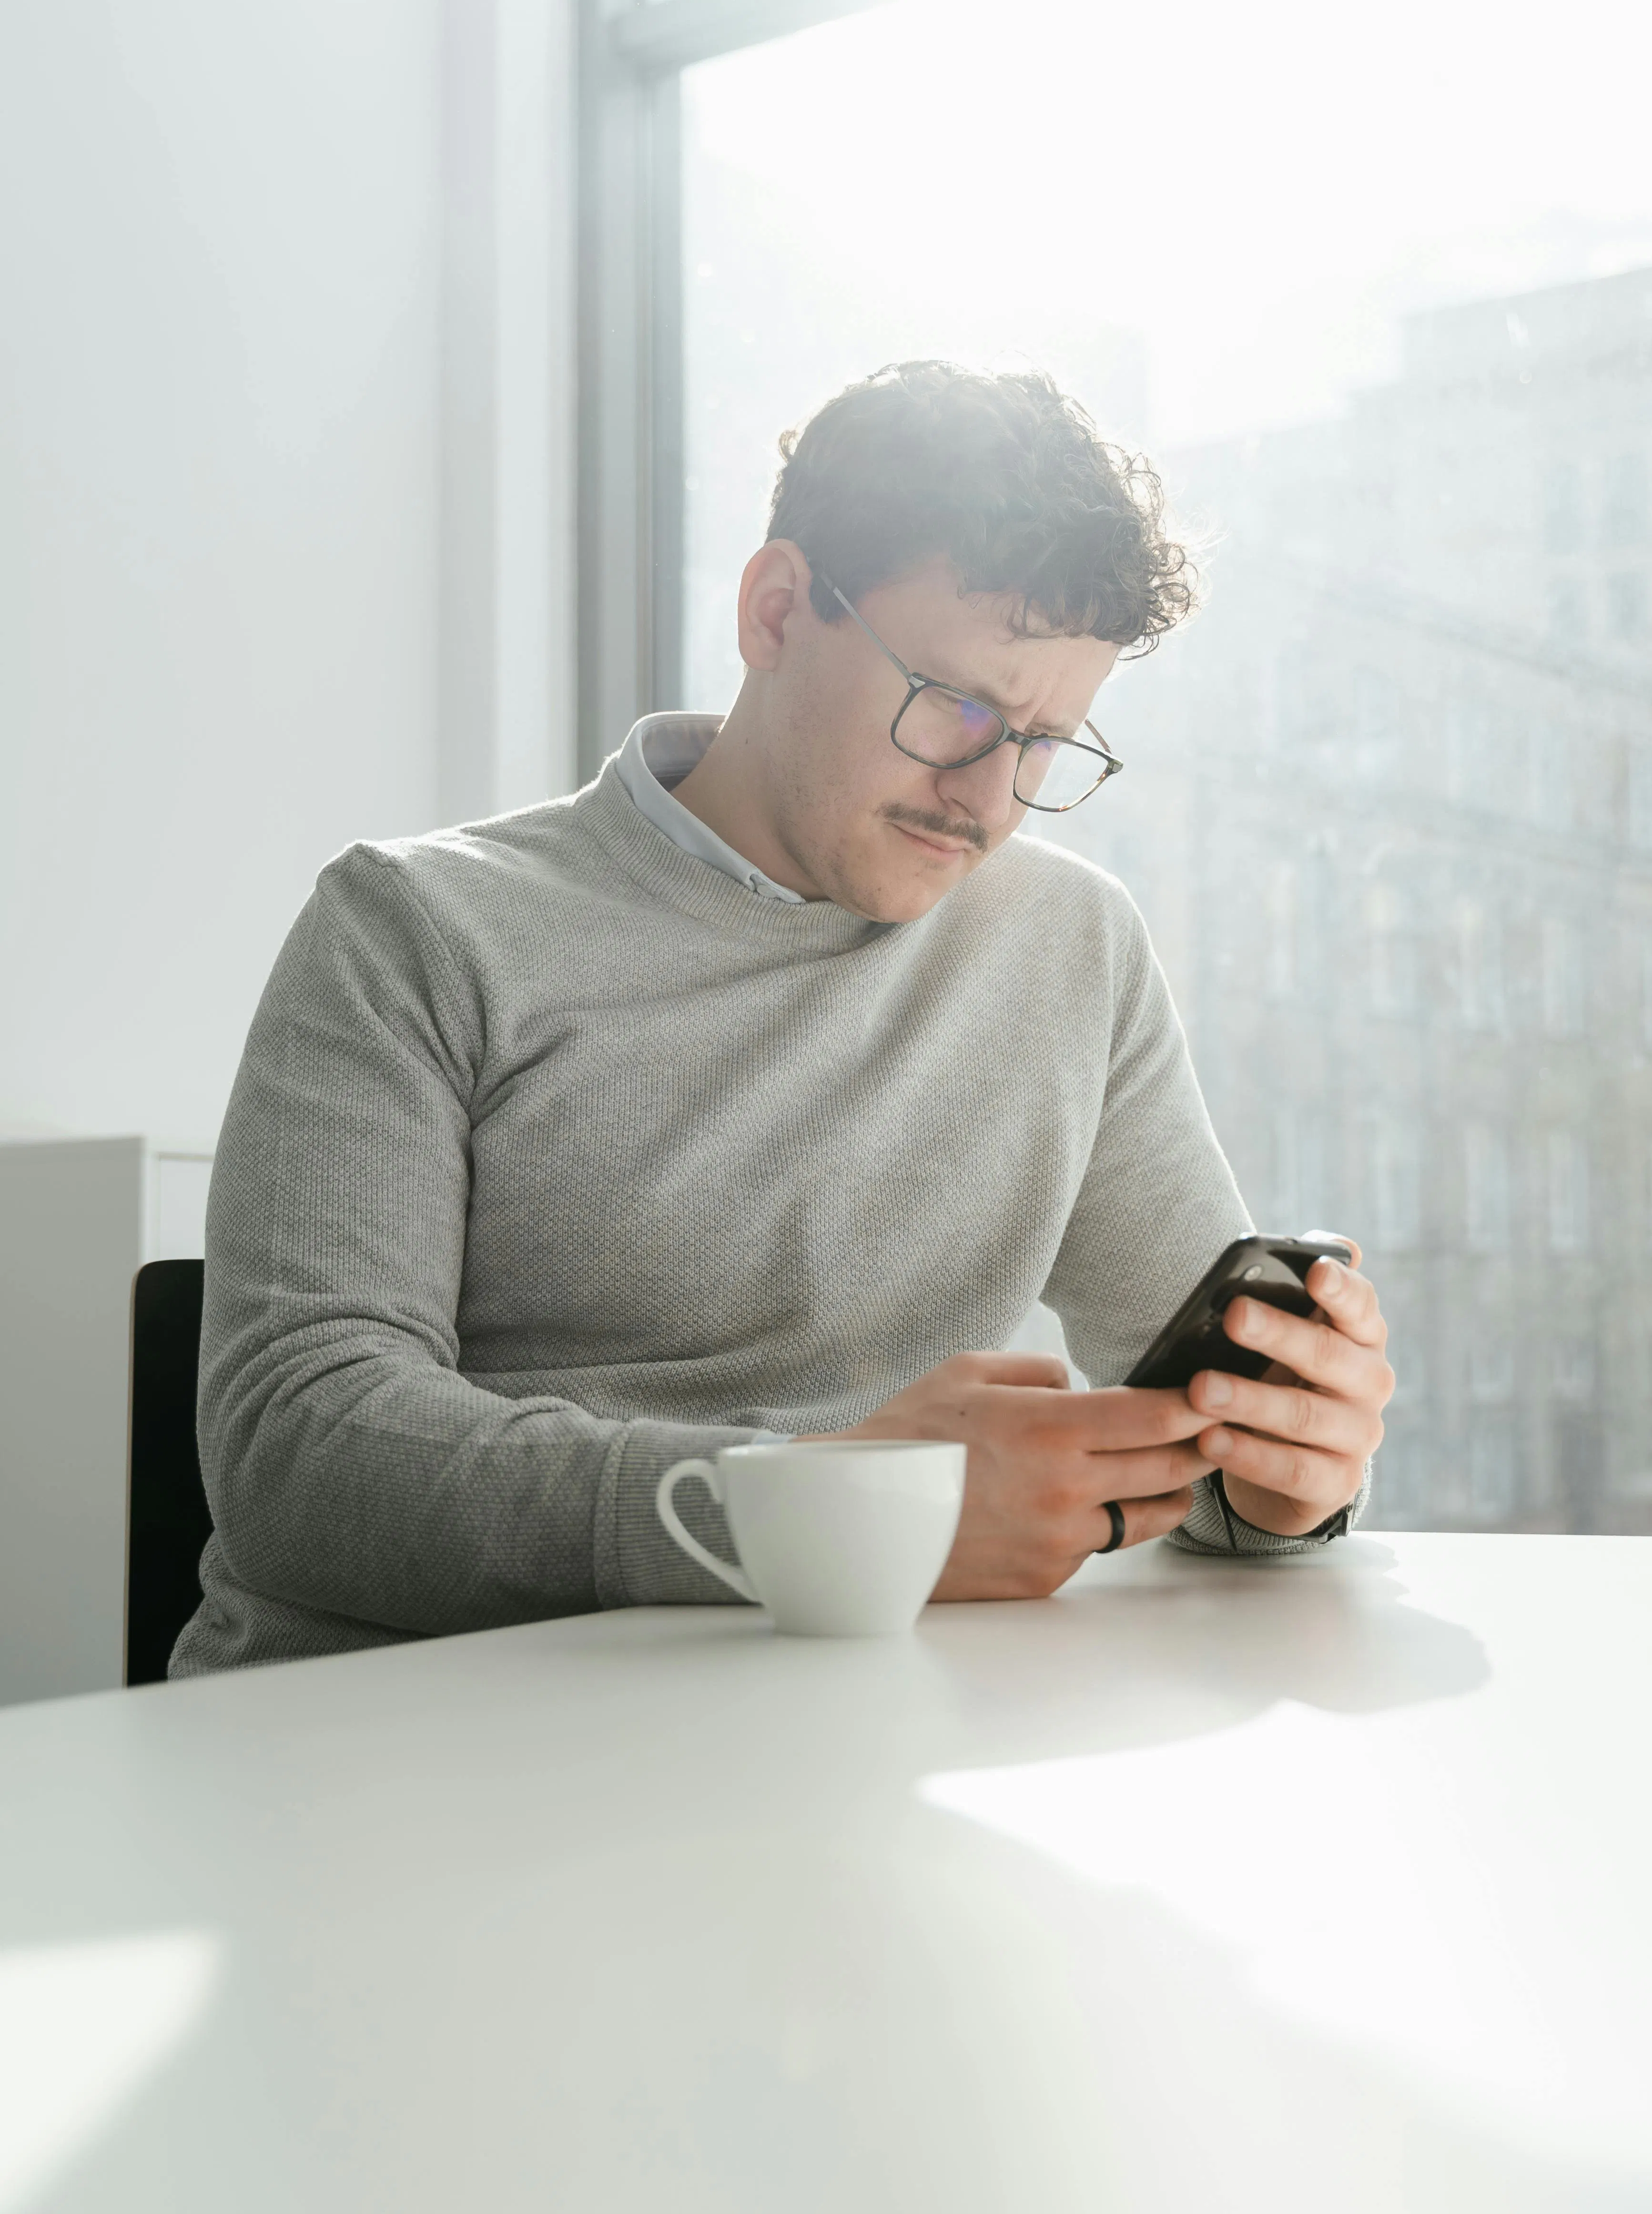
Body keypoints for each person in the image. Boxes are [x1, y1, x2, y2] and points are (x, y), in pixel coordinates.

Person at [172, 361, 1392, 1675]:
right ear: (776, 609)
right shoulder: (413, 928)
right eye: (957, 707)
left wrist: (1283, 1481)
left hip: (833, 1740)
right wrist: (816, 1513)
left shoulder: (1072, 949)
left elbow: (1196, 1435)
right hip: (382, 1758)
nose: (989, 797)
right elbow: (297, 1459)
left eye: (1046, 742)